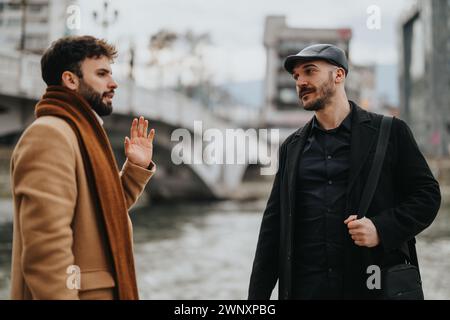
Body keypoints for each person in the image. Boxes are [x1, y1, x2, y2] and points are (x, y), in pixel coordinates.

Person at [248, 43, 441, 299]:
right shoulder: (291, 148)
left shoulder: (391, 132)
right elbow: (272, 233)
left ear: (338, 75)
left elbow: (427, 196)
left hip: (372, 289)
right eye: (296, 76)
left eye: (309, 71)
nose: (301, 81)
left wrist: (381, 229)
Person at [10, 36, 156, 300]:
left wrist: (135, 168)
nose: (113, 83)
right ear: (71, 80)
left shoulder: (80, 132)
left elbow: (98, 213)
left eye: (110, 73)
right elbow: (46, 252)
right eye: (101, 74)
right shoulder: (50, 135)